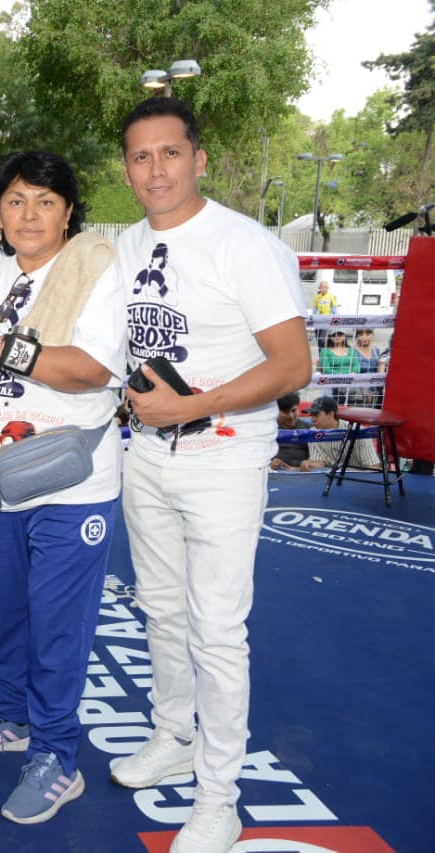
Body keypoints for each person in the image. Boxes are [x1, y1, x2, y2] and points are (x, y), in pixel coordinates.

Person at [110, 97, 311, 853]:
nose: (155, 168)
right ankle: (173, 734)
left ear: (198, 159)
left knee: (218, 631)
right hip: (146, 457)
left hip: (224, 456)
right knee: (159, 609)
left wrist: (193, 405)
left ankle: (219, 798)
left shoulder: (244, 244)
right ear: (126, 170)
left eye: (169, 153)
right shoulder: (125, 244)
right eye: (139, 155)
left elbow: (294, 365)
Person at [0, 151, 126, 825]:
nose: (29, 214)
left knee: (57, 626)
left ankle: (57, 755)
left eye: (45, 200)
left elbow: (93, 369)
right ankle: (11, 716)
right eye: (16, 200)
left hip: (68, 482)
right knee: (5, 614)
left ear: (69, 210)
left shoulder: (93, 268)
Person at [300, 395, 380, 471]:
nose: (312, 419)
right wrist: (309, 464)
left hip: (358, 478)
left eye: (316, 414)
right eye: (312, 415)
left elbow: (373, 466)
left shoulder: (357, 431)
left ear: (331, 414)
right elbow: (320, 462)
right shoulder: (313, 433)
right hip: (330, 478)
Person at [269, 393, 310, 471]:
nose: (290, 415)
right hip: (275, 473)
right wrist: (269, 463)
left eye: (294, 410)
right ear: (276, 411)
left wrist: (298, 469)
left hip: (301, 473)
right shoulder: (269, 429)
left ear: (298, 407)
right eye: (285, 412)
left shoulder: (308, 428)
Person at [317, 328, 358, 405]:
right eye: (334, 335)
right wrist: (344, 377)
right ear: (330, 337)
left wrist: (348, 377)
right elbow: (327, 370)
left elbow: (356, 367)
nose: (337, 337)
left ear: (344, 336)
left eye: (340, 335)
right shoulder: (324, 351)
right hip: (331, 383)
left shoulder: (352, 350)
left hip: (349, 384)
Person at [349, 327, 385, 407]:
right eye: (361, 334)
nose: (364, 337)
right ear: (356, 336)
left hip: (375, 386)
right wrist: (364, 390)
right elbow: (352, 375)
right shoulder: (351, 351)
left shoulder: (377, 350)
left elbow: (380, 373)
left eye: (368, 334)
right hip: (358, 388)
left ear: (372, 335)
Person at [311, 281, 337, 348]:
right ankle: (320, 353)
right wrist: (313, 317)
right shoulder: (317, 297)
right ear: (320, 288)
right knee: (318, 338)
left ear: (328, 288)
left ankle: (322, 354)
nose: (324, 289)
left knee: (322, 339)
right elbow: (314, 308)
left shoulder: (331, 296)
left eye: (325, 287)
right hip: (318, 320)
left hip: (326, 320)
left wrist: (335, 318)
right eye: (322, 287)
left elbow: (334, 309)